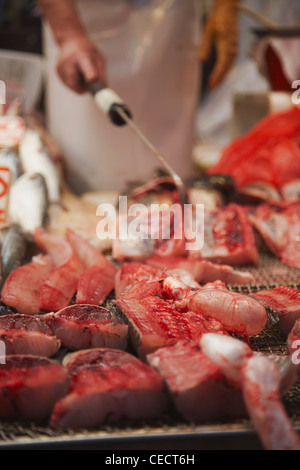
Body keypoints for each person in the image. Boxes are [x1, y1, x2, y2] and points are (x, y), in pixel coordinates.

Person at [37, 0, 239, 193]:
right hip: (83, 18)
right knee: (87, 180)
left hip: (173, 21)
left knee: (172, 184)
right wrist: (68, 35)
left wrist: (225, 6)